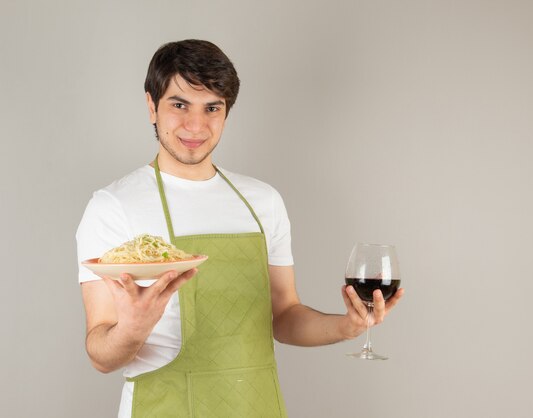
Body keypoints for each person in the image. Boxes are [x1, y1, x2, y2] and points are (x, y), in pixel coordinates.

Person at [77, 39, 404, 418]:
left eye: (212, 107)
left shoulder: (263, 201)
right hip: (164, 407)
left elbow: (283, 315)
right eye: (179, 104)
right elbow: (100, 354)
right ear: (152, 106)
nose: (196, 125)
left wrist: (346, 327)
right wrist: (132, 330)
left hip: (255, 405)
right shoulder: (113, 205)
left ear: (226, 111)